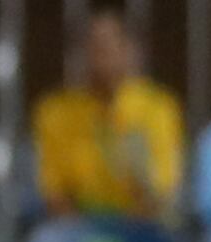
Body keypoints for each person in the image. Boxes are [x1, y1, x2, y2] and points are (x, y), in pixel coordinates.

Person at [35, 4, 185, 224]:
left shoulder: (158, 108)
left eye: (111, 46)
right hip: (78, 228)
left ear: (131, 50)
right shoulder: (56, 111)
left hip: (142, 226)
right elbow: (53, 191)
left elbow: (162, 189)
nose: (103, 57)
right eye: (94, 47)